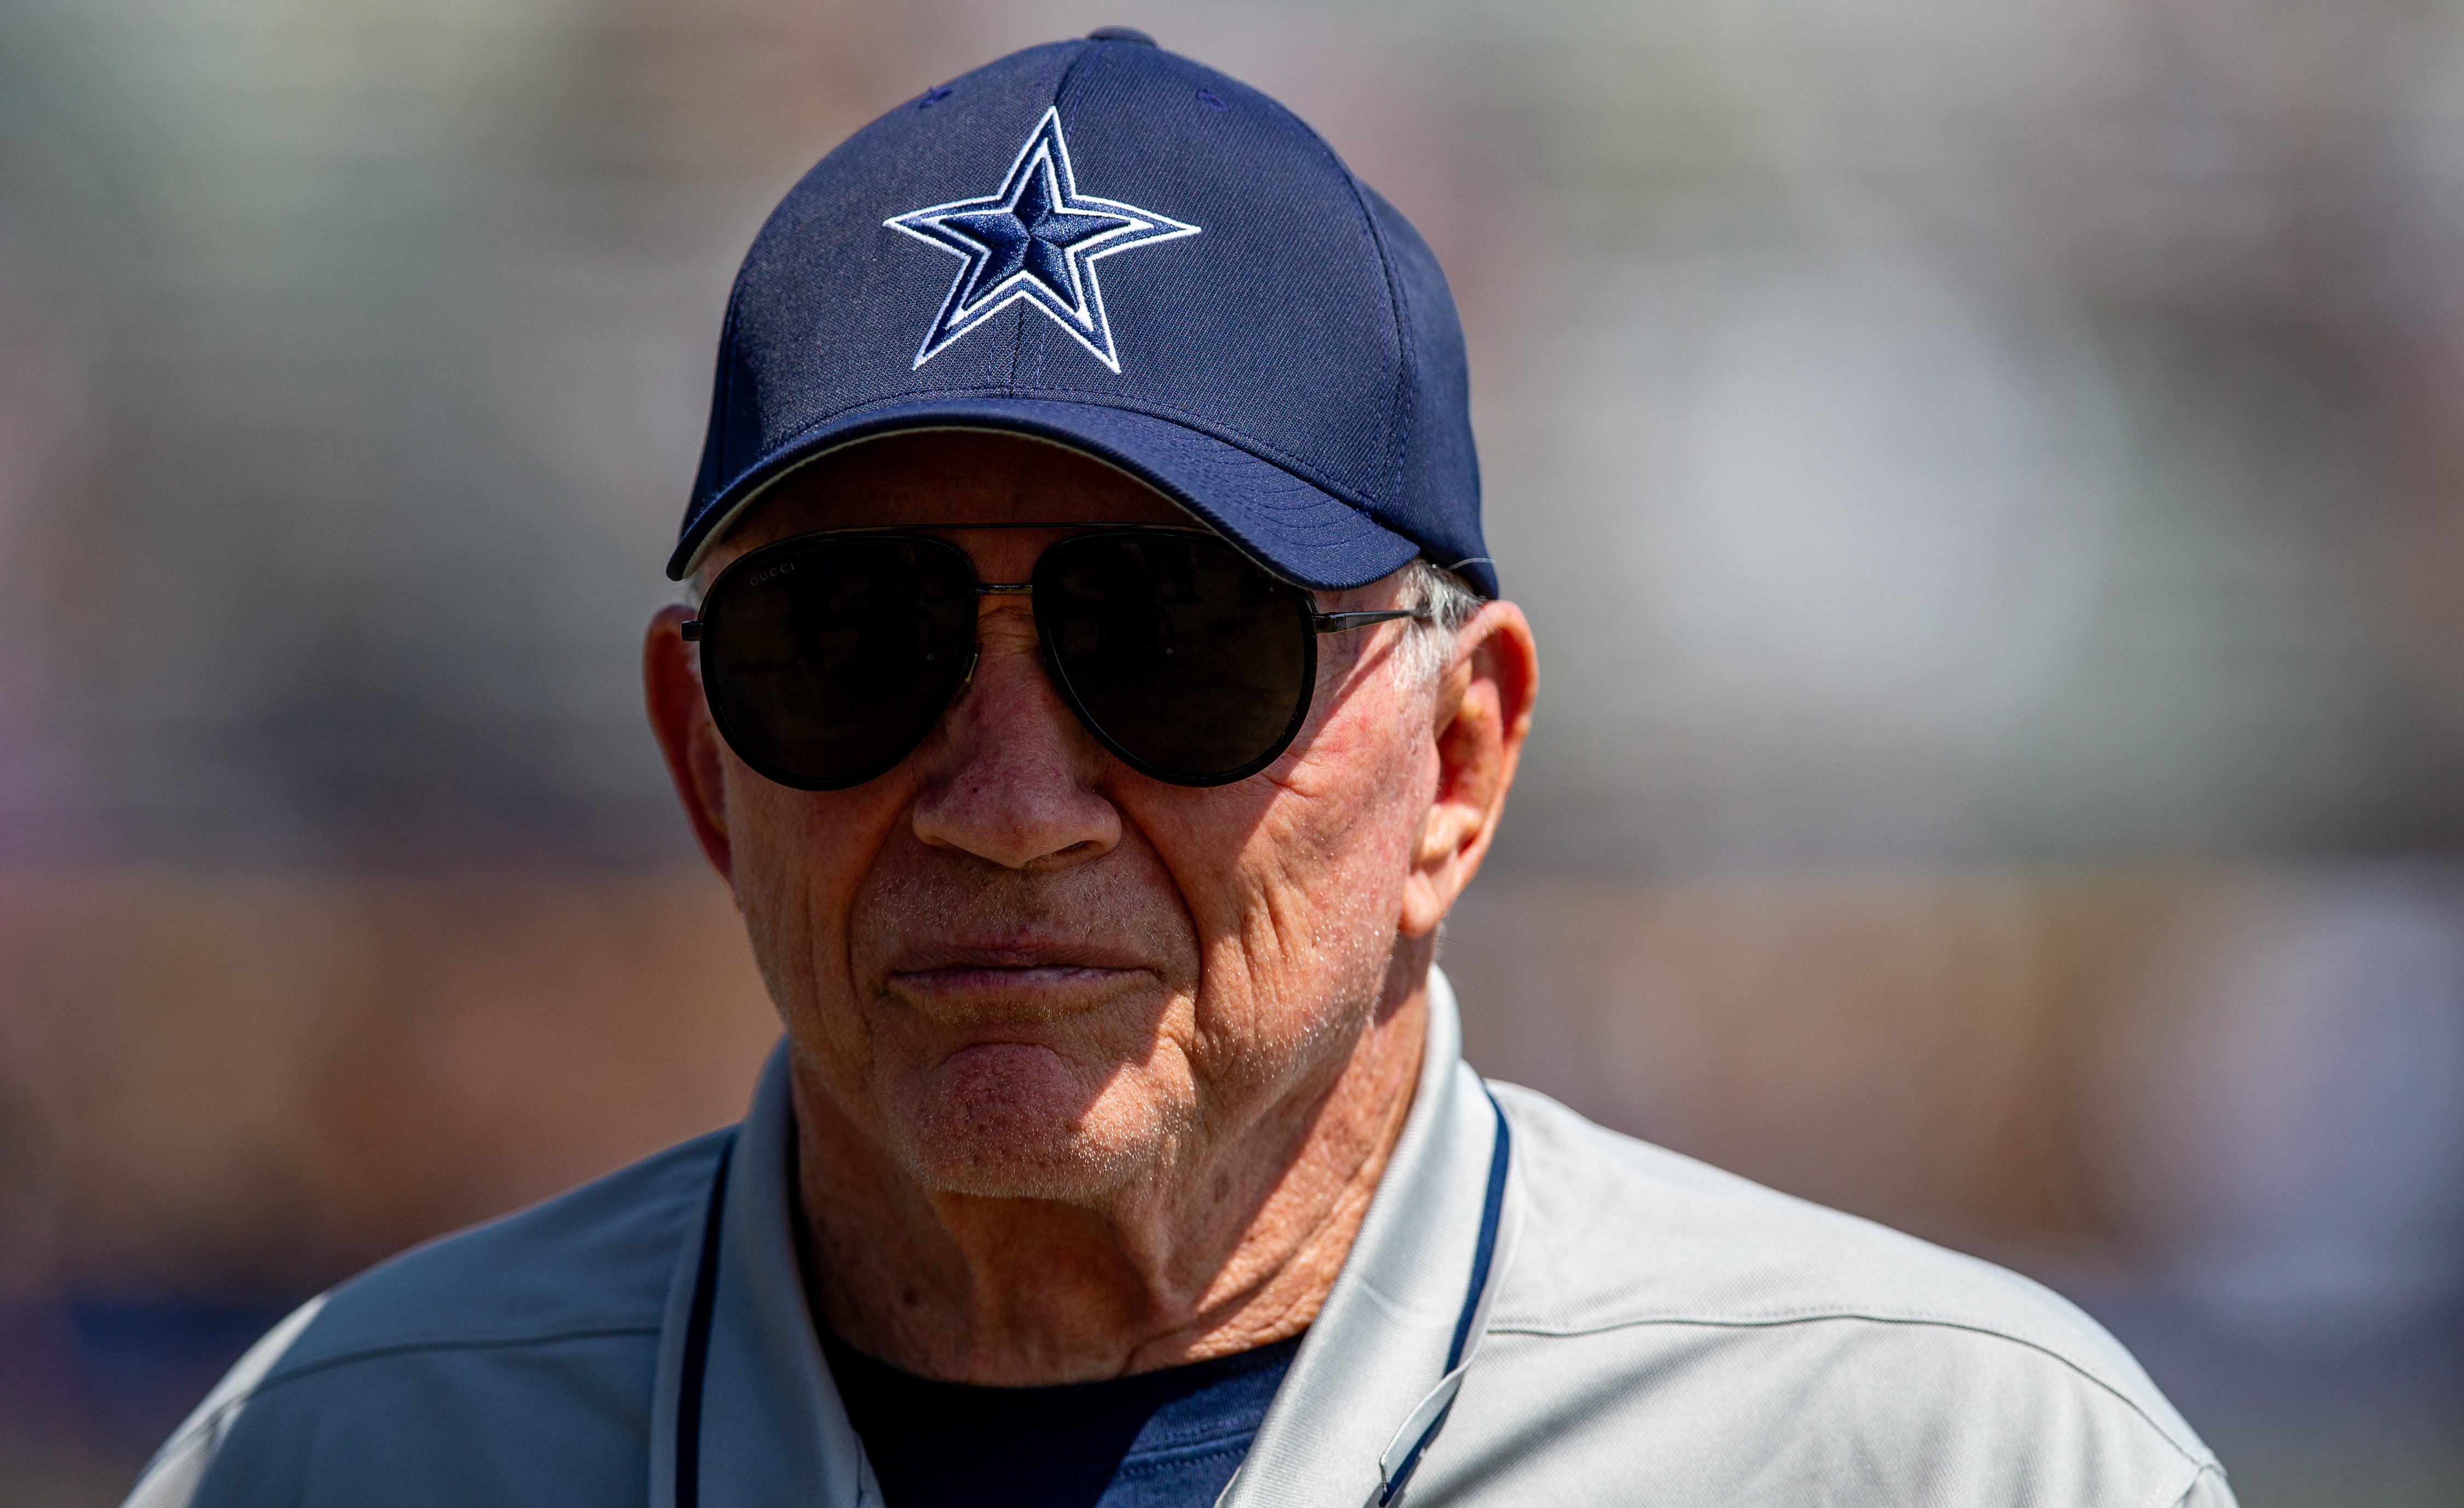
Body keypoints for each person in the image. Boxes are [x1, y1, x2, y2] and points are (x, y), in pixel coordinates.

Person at [126, 29, 2233, 1508]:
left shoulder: (1942, 1460)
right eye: (851, 647)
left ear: (1460, 764)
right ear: (703, 762)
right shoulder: (332, 1455)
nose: (1009, 799)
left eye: (1178, 642)